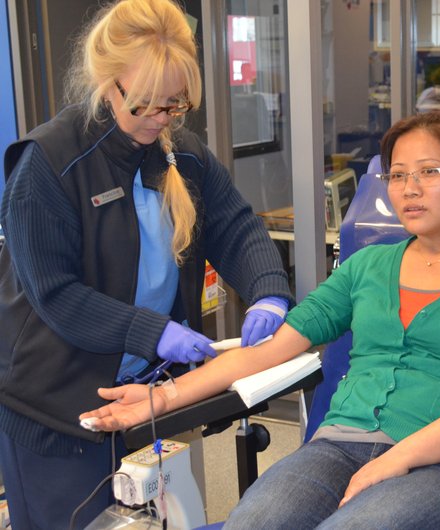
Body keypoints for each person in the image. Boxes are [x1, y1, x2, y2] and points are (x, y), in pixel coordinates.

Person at [81, 112, 440, 529]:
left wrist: (397, 459)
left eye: (430, 171)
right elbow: (268, 352)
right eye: (397, 174)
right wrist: (162, 398)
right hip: (339, 447)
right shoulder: (368, 267)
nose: (409, 188)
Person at [0, 1, 292, 528]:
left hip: (144, 394)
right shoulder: (47, 164)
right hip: (56, 406)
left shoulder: (182, 153)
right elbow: (56, 294)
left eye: (175, 105)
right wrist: (154, 332)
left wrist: (268, 290)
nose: (161, 119)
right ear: (107, 83)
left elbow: (235, 226)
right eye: (145, 105)